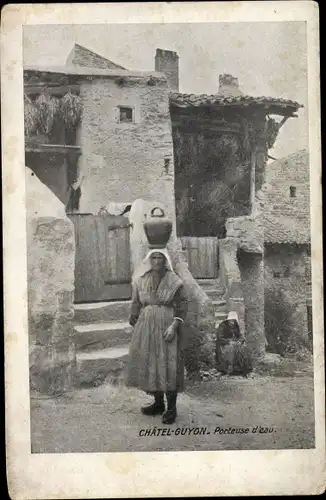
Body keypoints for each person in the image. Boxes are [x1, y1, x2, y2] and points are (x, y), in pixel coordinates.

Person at [125, 249, 188, 425]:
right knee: (152, 363)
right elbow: (136, 302)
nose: (157, 260)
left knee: (168, 363)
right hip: (146, 326)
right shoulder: (141, 280)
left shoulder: (174, 281)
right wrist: (135, 319)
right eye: (154, 257)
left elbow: (182, 304)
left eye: (160, 257)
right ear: (149, 260)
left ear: (165, 261)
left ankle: (172, 408)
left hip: (167, 324)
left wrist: (174, 326)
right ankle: (158, 404)